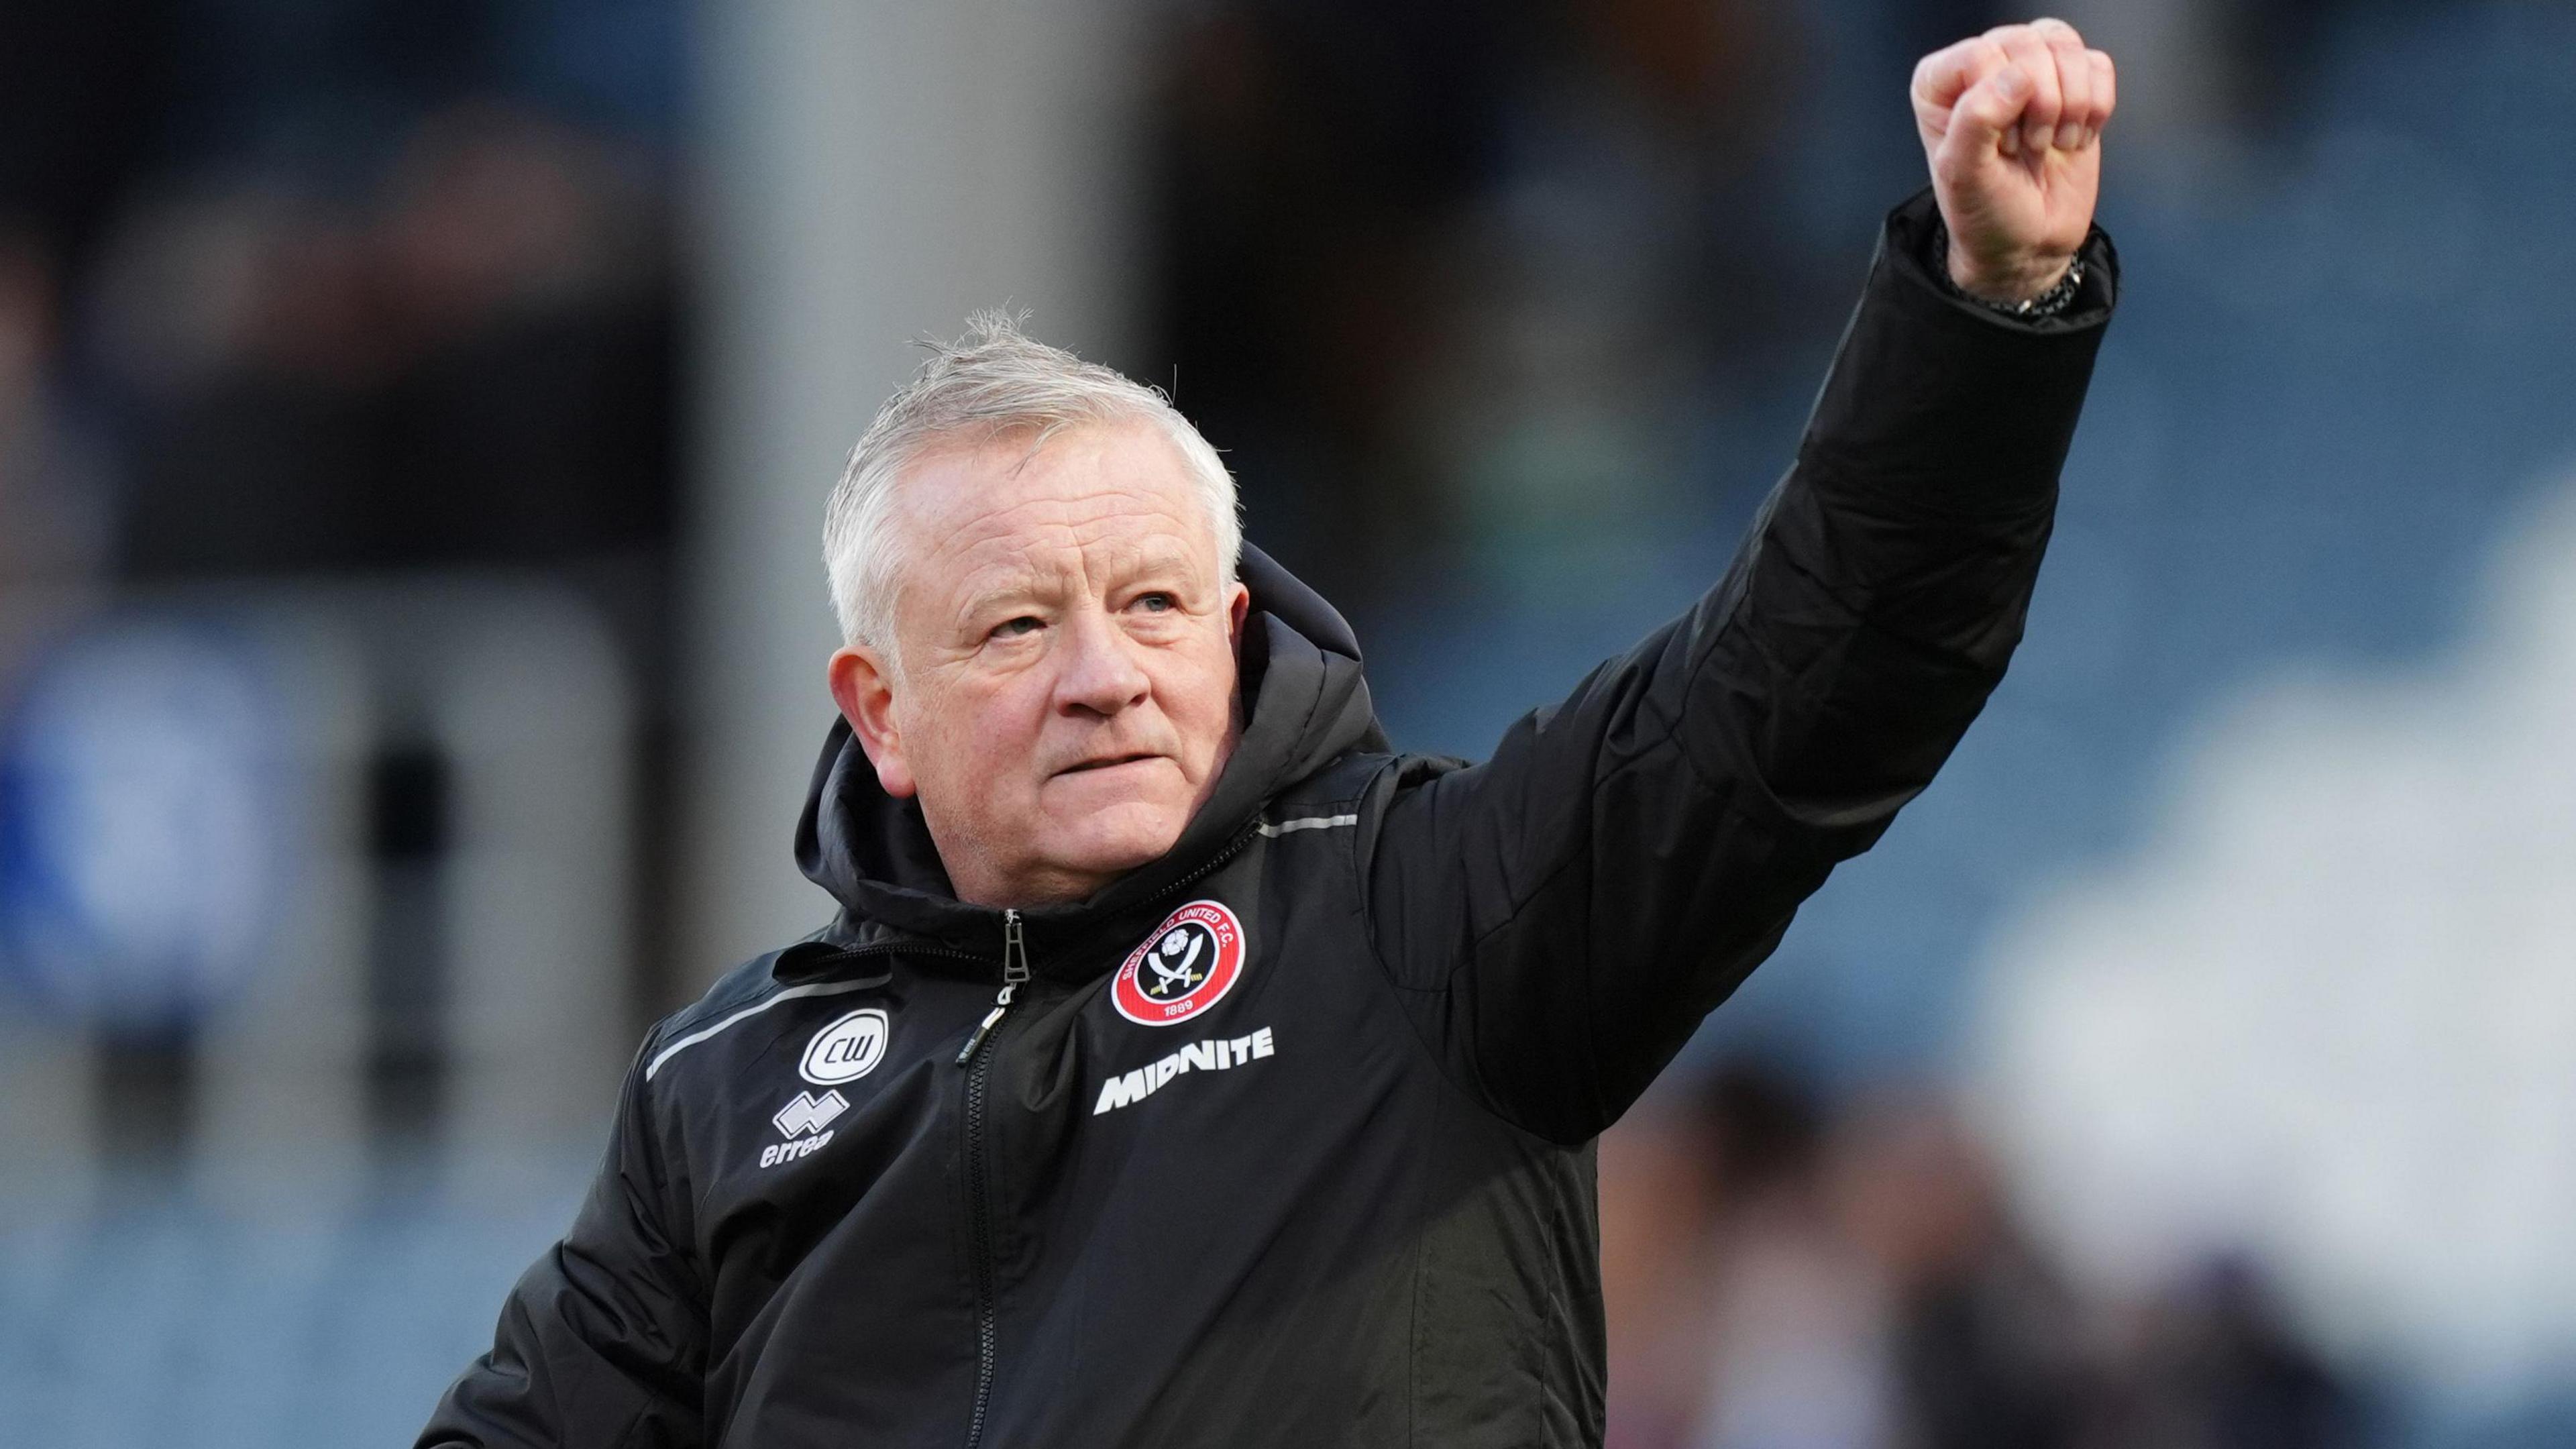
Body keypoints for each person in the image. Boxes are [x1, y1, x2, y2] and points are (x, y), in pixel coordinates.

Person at [418, 19, 2120, 1448]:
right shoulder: (721, 1089)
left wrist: (1989, 303)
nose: (1105, 675)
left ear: (1232, 634)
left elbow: (1817, 672)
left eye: (1156, 605)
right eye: (1018, 627)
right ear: (882, 713)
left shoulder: (1424, 909)